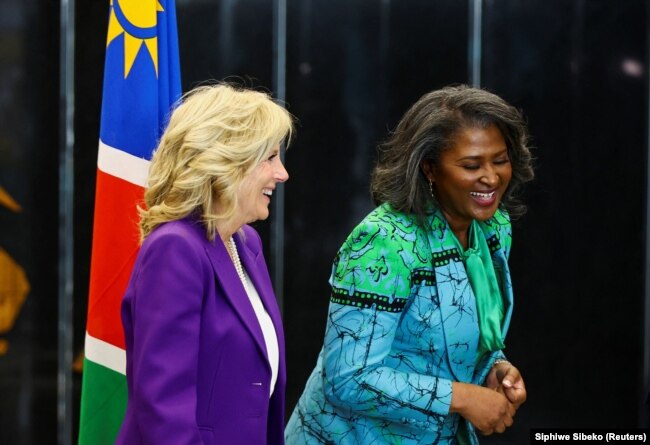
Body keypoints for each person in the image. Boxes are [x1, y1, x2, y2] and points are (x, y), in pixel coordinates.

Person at [285, 85, 533, 444]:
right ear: (429, 168)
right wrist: (463, 398)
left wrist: (493, 368)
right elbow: (349, 378)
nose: (491, 178)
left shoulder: (493, 227)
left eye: (500, 160)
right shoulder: (384, 242)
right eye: (471, 165)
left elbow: (454, 339)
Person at [115, 83, 293, 444]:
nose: (282, 174)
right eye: (270, 157)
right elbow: (164, 409)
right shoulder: (175, 250)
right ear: (228, 161)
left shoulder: (246, 243)